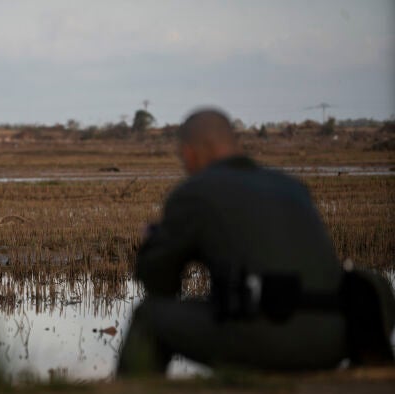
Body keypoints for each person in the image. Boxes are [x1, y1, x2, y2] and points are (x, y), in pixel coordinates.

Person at [117, 108, 393, 376]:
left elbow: (161, 284)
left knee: (149, 316)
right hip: (336, 340)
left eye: (183, 156)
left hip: (265, 342)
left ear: (192, 151)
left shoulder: (195, 192)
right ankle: (371, 370)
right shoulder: (291, 186)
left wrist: (156, 245)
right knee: (375, 283)